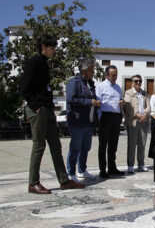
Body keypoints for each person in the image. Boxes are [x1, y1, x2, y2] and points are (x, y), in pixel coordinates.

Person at [21, 35, 84, 194]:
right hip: (39, 110)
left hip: (48, 110)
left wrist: (49, 108)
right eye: (52, 47)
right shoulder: (34, 62)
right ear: (43, 46)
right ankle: (33, 183)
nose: (55, 50)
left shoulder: (44, 64)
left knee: (56, 146)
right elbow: (24, 87)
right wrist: (35, 106)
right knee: (39, 146)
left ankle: (64, 180)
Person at [66, 59, 100, 182]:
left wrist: (96, 103)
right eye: (91, 70)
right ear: (83, 71)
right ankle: (71, 172)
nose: (93, 72)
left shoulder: (90, 84)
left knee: (86, 147)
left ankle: (82, 170)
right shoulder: (73, 82)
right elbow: (71, 99)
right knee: (75, 147)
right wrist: (89, 102)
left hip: (89, 121)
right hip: (77, 121)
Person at [95, 65, 124, 178]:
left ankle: (112, 167)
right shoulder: (100, 86)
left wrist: (121, 102)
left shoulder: (118, 87)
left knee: (113, 144)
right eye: (113, 75)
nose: (115, 77)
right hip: (105, 117)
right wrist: (100, 118)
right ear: (107, 75)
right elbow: (98, 103)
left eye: (116, 75)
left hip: (116, 116)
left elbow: (120, 99)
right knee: (103, 145)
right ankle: (103, 169)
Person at [123, 74, 150, 174]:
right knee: (132, 144)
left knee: (142, 144)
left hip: (144, 121)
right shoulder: (128, 93)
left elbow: (148, 106)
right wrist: (137, 114)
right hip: (133, 122)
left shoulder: (144, 93)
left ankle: (141, 164)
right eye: (136, 81)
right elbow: (127, 106)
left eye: (140, 81)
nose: (138, 83)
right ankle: (130, 165)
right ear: (132, 83)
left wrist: (145, 114)